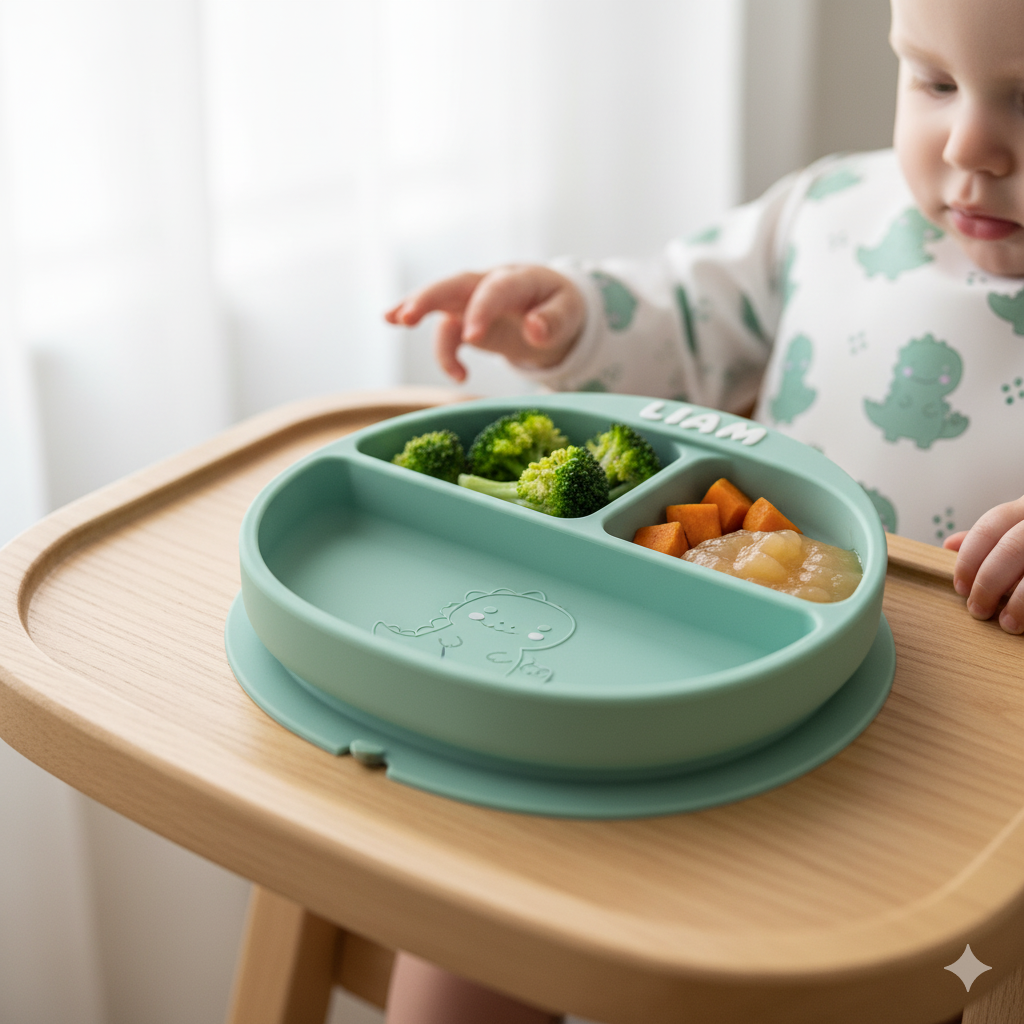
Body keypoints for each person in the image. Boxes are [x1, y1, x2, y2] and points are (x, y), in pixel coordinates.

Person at [381, 0, 1024, 1019]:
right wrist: (573, 321)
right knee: (477, 901)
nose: (969, 145)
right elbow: (684, 314)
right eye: (933, 81)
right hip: (718, 684)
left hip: (950, 786)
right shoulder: (830, 212)